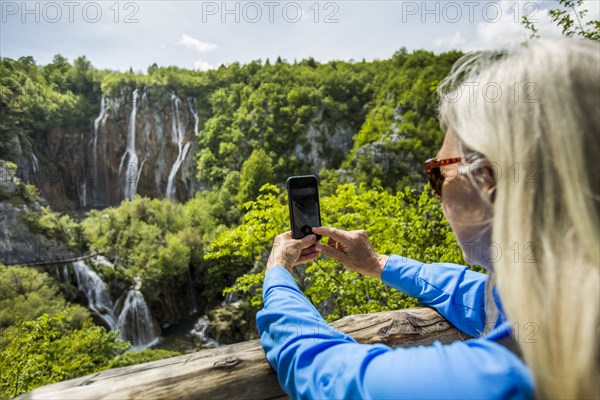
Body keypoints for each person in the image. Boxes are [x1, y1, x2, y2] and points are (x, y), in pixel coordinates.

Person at [256, 38, 599, 399]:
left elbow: (326, 371)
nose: (435, 190)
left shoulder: (498, 379)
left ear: (489, 181)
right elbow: (479, 296)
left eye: (437, 174)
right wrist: (376, 263)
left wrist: (277, 275)